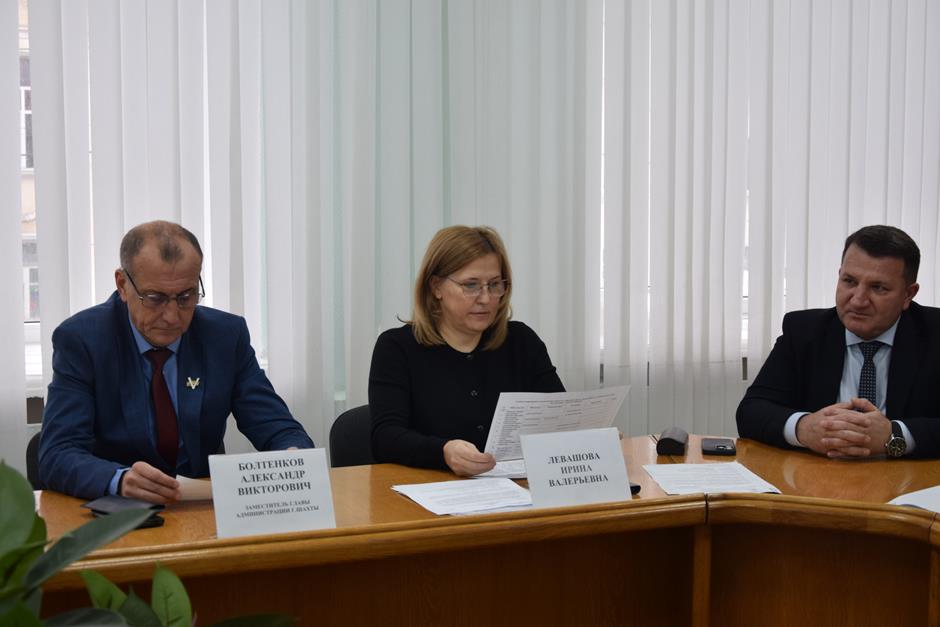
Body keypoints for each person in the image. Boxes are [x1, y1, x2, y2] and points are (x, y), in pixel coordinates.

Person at [39, 221, 313, 502]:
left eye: (185, 296)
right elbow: (57, 454)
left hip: (201, 509)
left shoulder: (224, 336)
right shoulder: (83, 340)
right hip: (118, 511)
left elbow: (279, 428)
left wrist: (292, 458)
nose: (172, 316)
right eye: (154, 298)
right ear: (122, 285)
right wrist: (119, 479)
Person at [368, 225, 565, 475]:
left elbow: (559, 417)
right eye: (471, 285)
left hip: (515, 488)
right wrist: (443, 452)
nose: (485, 298)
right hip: (428, 488)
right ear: (436, 287)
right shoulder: (397, 347)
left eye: (494, 284)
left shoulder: (521, 341)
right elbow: (385, 438)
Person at [736, 224, 940, 458]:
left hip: (909, 478)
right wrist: (804, 428)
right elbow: (751, 412)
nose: (858, 300)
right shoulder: (804, 331)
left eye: (878, 288)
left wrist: (894, 435)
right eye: (849, 281)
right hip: (821, 475)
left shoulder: (934, 334)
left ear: (908, 295)